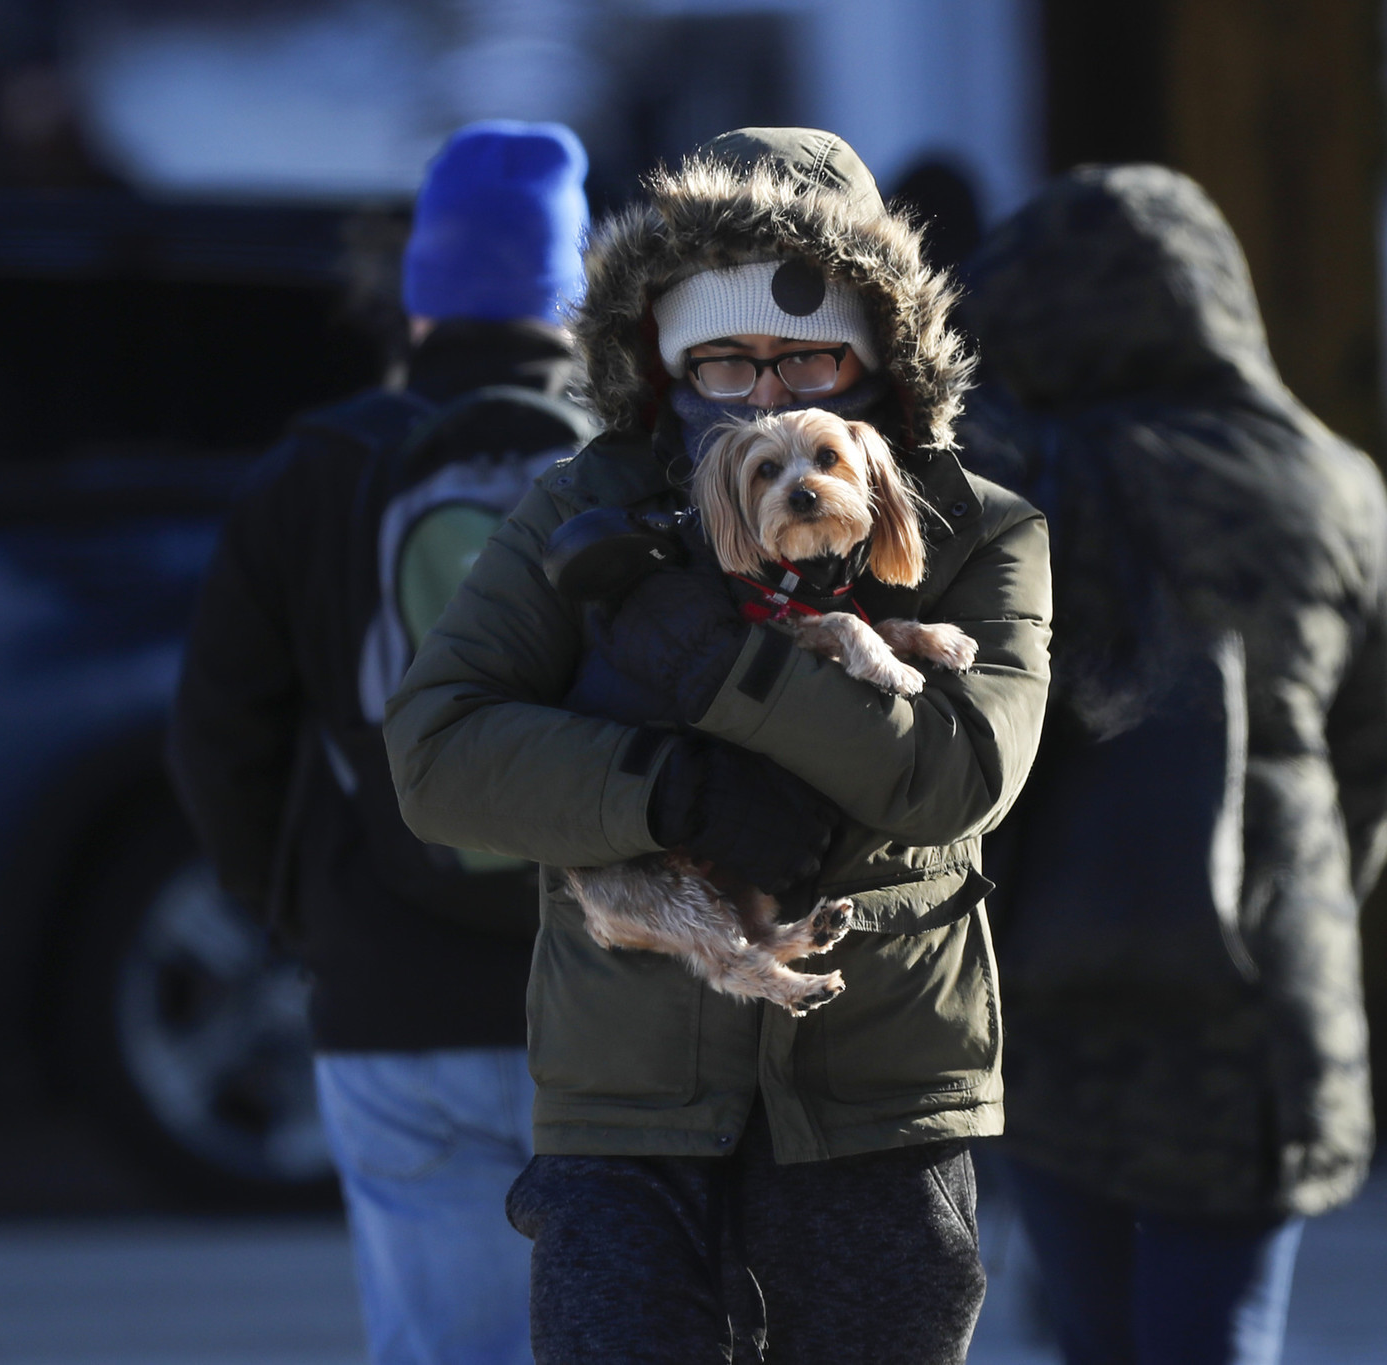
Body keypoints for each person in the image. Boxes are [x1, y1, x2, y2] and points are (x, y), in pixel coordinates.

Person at [381, 127, 1052, 1364]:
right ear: (667, 359)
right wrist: (665, 788)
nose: (771, 395)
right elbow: (437, 750)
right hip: (627, 1092)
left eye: (806, 357)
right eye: (727, 364)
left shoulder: (976, 530)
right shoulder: (575, 512)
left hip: (875, 1088)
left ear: (876, 352)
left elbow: (959, 775)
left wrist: (721, 666)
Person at [956, 165, 1387, 1365]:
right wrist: (1298, 897)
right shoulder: (1333, 481)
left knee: (1097, 1337)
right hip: (1261, 993)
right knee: (1220, 1334)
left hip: (1060, 979)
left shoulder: (1020, 476)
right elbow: (1374, 749)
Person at [168, 121, 594, 1365]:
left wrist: (290, 907)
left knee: (444, 1342)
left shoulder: (315, 471)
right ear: (574, 291)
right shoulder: (635, 474)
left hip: (385, 988)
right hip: (606, 997)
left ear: (420, 294)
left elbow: (214, 738)